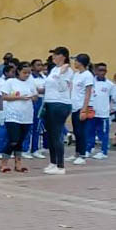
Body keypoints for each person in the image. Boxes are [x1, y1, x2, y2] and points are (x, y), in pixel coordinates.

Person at [38, 46, 73, 175]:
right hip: (49, 103)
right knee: (51, 134)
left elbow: (62, 87)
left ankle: (60, 165)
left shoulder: (67, 71)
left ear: (63, 56)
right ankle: (53, 163)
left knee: (57, 134)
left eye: (56, 54)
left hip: (60, 104)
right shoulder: (54, 69)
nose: (53, 57)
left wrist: (60, 74)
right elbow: (48, 86)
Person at [0, 61, 36, 173]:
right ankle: (3, 163)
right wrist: (18, 98)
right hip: (13, 115)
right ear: (18, 71)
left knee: (20, 140)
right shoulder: (10, 82)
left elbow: (35, 95)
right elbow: (4, 97)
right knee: (13, 139)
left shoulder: (31, 83)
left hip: (27, 115)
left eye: (29, 73)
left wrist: (33, 97)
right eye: (25, 72)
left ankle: (18, 163)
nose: (27, 75)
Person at [69, 53, 94, 165]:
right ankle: (77, 153)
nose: (74, 63)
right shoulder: (76, 74)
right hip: (74, 107)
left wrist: (84, 109)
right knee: (76, 131)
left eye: (76, 61)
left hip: (82, 107)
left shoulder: (87, 75)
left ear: (81, 62)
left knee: (81, 132)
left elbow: (88, 93)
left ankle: (82, 155)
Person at [87, 62, 112, 159]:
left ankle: (104, 152)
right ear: (96, 71)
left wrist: (108, 109)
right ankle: (88, 149)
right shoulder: (91, 82)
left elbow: (110, 98)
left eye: (104, 70)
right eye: (100, 70)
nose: (102, 72)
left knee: (104, 133)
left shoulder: (110, 85)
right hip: (92, 112)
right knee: (90, 132)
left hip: (103, 114)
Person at [28, 59, 48, 158]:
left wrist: (42, 90)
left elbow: (47, 89)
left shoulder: (44, 77)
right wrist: (42, 90)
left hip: (41, 102)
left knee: (37, 127)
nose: (40, 67)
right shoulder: (30, 77)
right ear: (32, 66)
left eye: (41, 65)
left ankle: (35, 149)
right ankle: (25, 149)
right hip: (32, 101)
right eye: (38, 65)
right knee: (28, 126)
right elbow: (35, 90)